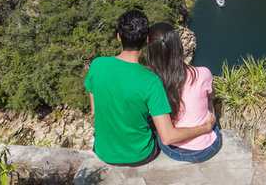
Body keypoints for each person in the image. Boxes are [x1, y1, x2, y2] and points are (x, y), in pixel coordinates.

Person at [84, 10, 216, 166]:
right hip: (139, 155)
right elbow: (167, 137)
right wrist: (206, 127)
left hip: (103, 151)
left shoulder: (97, 64)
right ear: (147, 40)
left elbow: (95, 109)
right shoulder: (150, 80)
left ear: (119, 37)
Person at [145, 22, 222, 163]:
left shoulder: (150, 82)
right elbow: (212, 96)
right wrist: (208, 124)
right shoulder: (203, 73)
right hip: (205, 149)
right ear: (178, 47)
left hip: (172, 150)